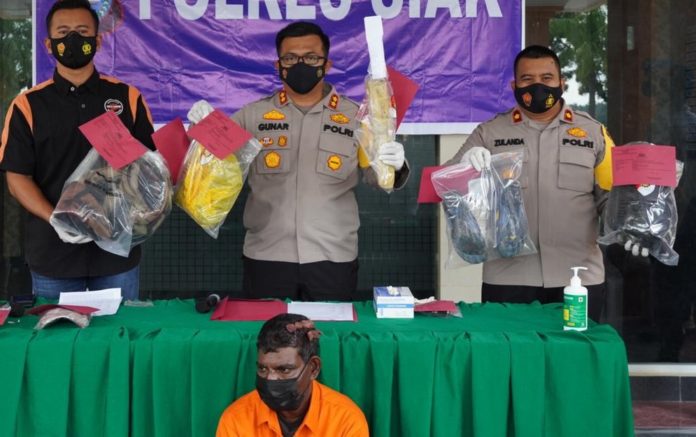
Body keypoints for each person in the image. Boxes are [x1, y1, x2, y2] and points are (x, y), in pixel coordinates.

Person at [188, 22, 409, 301]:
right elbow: (214, 171)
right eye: (290, 58)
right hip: (267, 256)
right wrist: (203, 134)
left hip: (332, 258)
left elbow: (379, 179)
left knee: (328, 329)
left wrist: (396, 167)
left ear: (327, 64)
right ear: (278, 65)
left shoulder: (357, 118)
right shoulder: (252, 116)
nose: (300, 64)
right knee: (268, 330)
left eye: (311, 57)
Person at [0, 0, 155, 300]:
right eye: (63, 32)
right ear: (49, 44)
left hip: (116, 255)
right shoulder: (27, 106)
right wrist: (55, 218)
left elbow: (150, 169)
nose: (72, 39)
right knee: (56, 330)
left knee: (120, 329)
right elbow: (17, 178)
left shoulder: (127, 98)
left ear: (97, 41)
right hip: (52, 255)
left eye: (82, 32)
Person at [448, 45, 614, 321]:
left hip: (578, 278)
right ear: (514, 86)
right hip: (508, 278)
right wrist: (464, 167)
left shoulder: (593, 133)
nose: (538, 86)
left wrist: (633, 226)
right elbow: (443, 186)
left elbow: (612, 197)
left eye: (547, 78)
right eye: (527, 79)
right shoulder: (490, 132)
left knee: (575, 348)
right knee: (511, 349)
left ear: (562, 83)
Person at [216, 313, 369, 437]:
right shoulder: (235, 419)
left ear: (313, 368)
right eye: (262, 369)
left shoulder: (346, 421)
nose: (270, 379)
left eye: (284, 370)